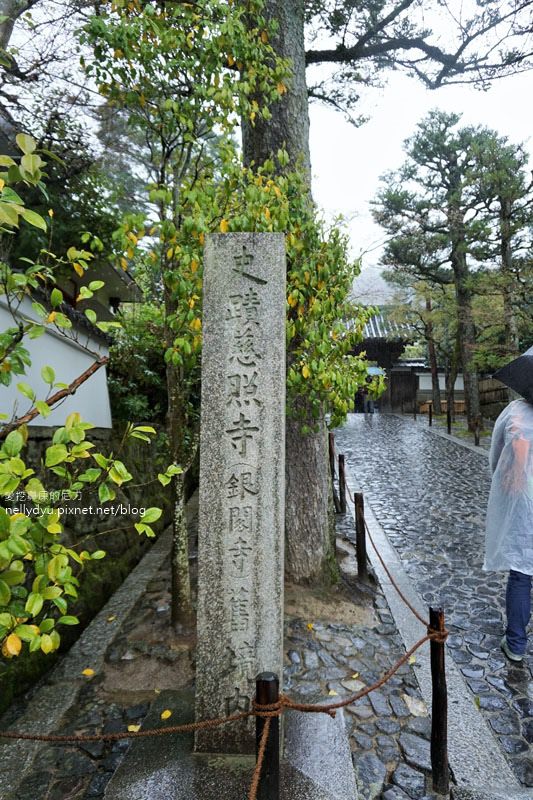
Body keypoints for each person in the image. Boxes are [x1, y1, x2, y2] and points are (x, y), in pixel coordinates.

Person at [484, 398, 533, 662]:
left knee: (522, 572)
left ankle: (515, 642)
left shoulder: (515, 410)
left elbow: (497, 455)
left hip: (524, 501)